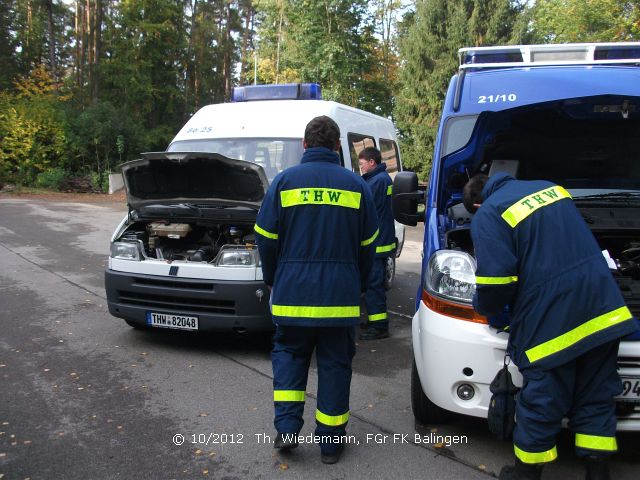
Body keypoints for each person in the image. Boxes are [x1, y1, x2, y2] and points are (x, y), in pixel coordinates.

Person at [463, 172, 637, 480]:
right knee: (595, 396)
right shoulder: (551, 189)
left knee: (541, 402)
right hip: (604, 309)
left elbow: (495, 284)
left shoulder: (489, 213)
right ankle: (598, 472)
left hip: (553, 323)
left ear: (477, 204)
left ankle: (525, 474)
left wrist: (491, 313)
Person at [254, 115, 379, 464]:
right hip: (339, 300)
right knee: (336, 366)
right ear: (337, 147)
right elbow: (370, 244)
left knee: (290, 359)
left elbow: (265, 238)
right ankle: (330, 444)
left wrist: (273, 276)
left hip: (292, 296)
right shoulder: (357, 187)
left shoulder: (284, 182)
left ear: (304, 145)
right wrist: (358, 282)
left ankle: (288, 429)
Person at [358, 146, 396, 340]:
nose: (361, 167)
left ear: (371, 162)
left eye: (362, 163)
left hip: (377, 243)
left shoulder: (377, 181)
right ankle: (375, 321)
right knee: (373, 284)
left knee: (374, 285)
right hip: (381, 241)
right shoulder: (381, 178)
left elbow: (362, 207)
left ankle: (380, 326)